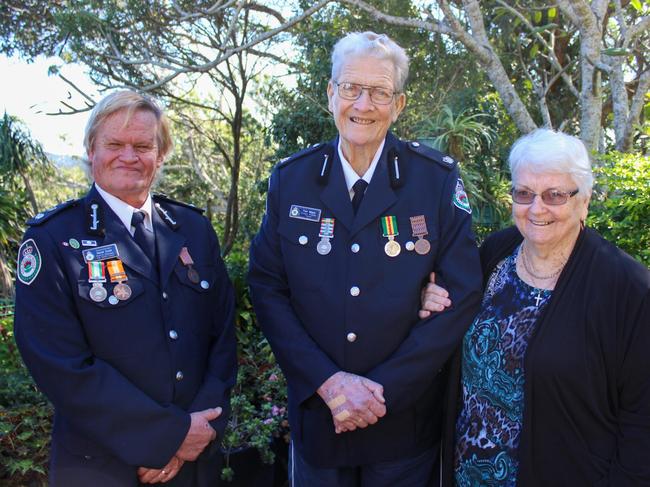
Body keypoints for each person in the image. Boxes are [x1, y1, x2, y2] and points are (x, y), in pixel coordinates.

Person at [248, 31, 482, 486]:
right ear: (331, 93)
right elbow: (266, 287)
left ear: (399, 105)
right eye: (352, 88)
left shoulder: (433, 180)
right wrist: (330, 383)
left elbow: (462, 292)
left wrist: (382, 391)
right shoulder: (291, 180)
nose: (363, 104)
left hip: (402, 422)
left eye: (379, 92)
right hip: (320, 413)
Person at [14, 90, 238, 487]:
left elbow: (221, 339)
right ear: (90, 149)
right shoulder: (54, 239)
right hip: (100, 465)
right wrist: (167, 436)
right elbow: (60, 364)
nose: (128, 156)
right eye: (114, 144)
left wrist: (197, 431)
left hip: (194, 463)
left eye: (143, 145)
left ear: (162, 153)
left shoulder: (193, 231)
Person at [420, 128, 650, 486]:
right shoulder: (495, 254)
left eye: (555, 195)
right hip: (467, 474)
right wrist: (432, 299)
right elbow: (452, 313)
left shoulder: (628, 290)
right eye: (524, 193)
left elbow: (642, 421)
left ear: (584, 200)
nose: (536, 208)